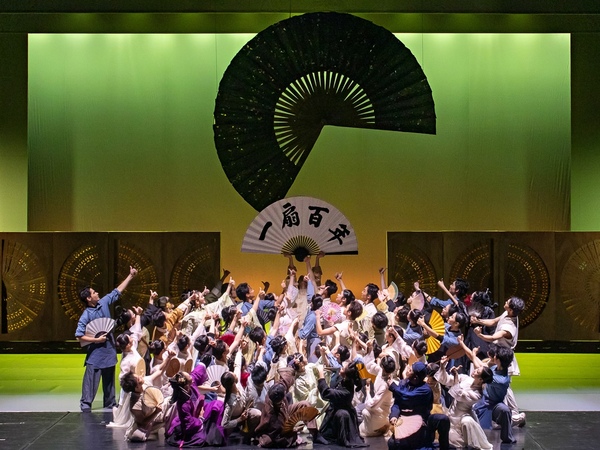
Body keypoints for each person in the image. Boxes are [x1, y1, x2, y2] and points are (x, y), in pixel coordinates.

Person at [75, 265, 138, 412]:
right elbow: (79, 336)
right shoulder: (86, 315)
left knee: (109, 381)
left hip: (109, 349)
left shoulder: (102, 302)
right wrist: (96, 340)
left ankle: (110, 403)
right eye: (94, 292)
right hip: (95, 353)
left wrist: (130, 276)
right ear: (88, 298)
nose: (97, 293)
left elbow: (117, 291)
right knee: (91, 381)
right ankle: (86, 405)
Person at [434, 355, 494, 450]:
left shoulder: (477, 394)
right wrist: (442, 366)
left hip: (461, 417)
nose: (474, 370)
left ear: (481, 380)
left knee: (466, 423)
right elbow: (447, 380)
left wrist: (456, 376)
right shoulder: (466, 378)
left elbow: (459, 395)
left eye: (477, 371)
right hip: (452, 414)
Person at [387, 361, 450, 450]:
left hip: (422, 420)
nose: (407, 370)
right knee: (392, 443)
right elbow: (397, 403)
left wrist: (394, 387)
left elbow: (408, 396)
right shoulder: (403, 384)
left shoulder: (425, 390)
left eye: (410, 370)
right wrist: (394, 415)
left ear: (415, 377)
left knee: (443, 419)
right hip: (405, 420)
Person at [315, 361, 367, 447]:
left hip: (342, 416)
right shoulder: (344, 380)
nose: (340, 368)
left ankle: (342, 437)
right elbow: (336, 371)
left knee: (341, 414)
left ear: (346, 375)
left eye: (342, 368)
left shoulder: (346, 392)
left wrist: (321, 374)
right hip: (333, 414)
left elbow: (326, 393)